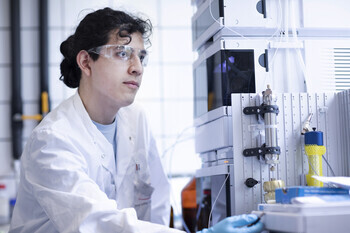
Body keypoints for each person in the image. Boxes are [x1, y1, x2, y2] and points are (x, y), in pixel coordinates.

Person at [9, 7, 263, 233]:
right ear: (86, 62)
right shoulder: (52, 140)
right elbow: (98, 223)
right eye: (122, 53)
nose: (137, 68)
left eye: (140, 56)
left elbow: (159, 202)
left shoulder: (135, 118)